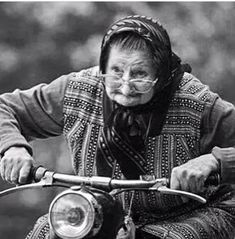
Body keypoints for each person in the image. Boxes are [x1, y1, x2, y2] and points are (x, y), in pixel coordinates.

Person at [0, 15, 235, 239]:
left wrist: (214, 161)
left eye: (140, 74)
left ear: (161, 72)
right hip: (98, 211)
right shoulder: (79, 90)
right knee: (49, 229)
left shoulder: (199, 104)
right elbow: (6, 107)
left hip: (189, 214)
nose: (125, 86)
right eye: (116, 71)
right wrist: (13, 148)